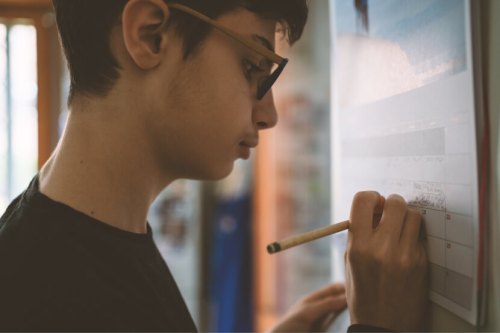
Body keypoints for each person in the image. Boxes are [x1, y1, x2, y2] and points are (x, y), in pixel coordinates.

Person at [0, 0, 428, 331]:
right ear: (151, 36)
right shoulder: (55, 296)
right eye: (254, 68)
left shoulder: (80, 241)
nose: (269, 114)